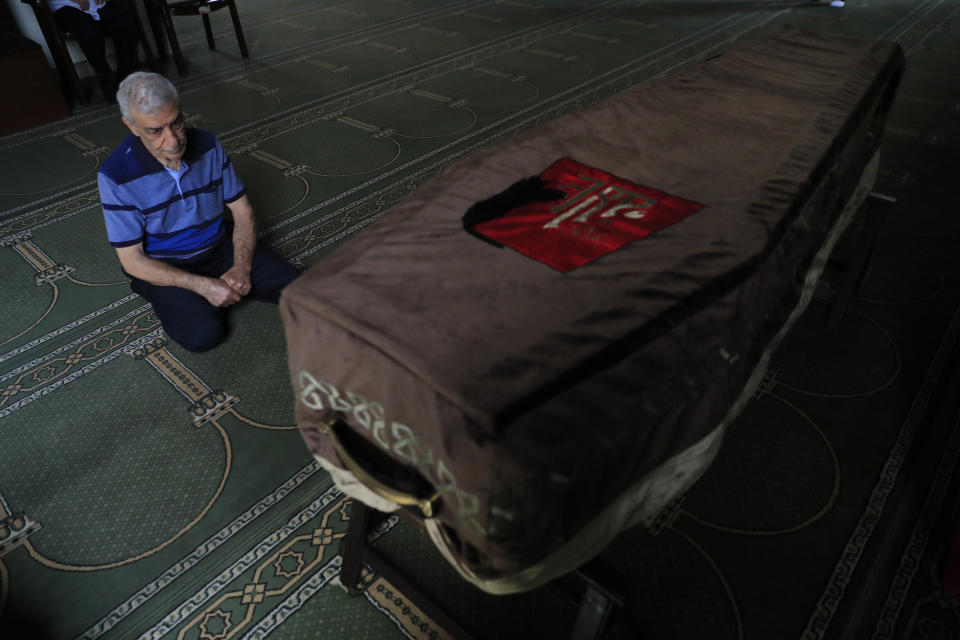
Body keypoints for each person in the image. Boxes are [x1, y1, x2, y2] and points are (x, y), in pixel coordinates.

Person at [97, 72, 300, 352]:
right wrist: (205, 287)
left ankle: (218, 287)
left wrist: (242, 266)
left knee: (301, 290)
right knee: (204, 335)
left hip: (219, 244)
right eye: (155, 131)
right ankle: (153, 288)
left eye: (176, 122)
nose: (173, 141)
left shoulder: (207, 144)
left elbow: (242, 211)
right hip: (167, 263)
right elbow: (132, 260)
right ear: (131, 126)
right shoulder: (115, 175)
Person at [45, 0, 141, 101]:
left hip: (98, 4)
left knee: (126, 23)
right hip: (65, 6)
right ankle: (105, 77)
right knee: (88, 32)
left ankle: (125, 76)